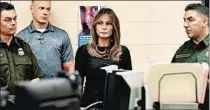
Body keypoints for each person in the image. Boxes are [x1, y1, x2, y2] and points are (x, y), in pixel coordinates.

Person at [75, 8, 132, 108]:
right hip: (89, 105)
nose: (104, 27)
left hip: (115, 106)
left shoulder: (123, 52)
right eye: (100, 23)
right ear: (95, 26)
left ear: (114, 27)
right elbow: (77, 85)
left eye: (108, 23)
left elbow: (127, 87)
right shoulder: (83, 51)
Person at [16, 0, 75, 78]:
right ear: (32, 9)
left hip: (56, 88)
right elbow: (18, 70)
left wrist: (69, 86)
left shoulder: (61, 35)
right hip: (32, 88)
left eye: (48, 9)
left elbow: (69, 67)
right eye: (41, 8)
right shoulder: (21, 37)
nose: (45, 12)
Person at [0, 2, 44, 94]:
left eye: (14, 19)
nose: (13, 23)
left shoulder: (24, 47)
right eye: (7, 20)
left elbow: (36, 77)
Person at [171, 3, 209, 110]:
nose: (185, 25)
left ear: (205, 22)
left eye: (190, 20)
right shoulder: (182, 50)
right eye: (184, 20)